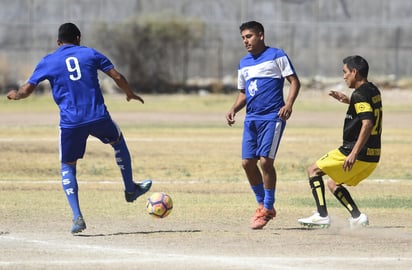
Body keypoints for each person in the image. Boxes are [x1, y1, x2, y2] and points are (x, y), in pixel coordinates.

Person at [7, 22, 152, 234]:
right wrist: (129, 93)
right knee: (118, 141)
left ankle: (77, 217)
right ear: (78, 38)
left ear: (58, 42)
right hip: (98, 116)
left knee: (68, 165)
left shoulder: (48, 61)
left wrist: (16, 95)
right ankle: (130, 189)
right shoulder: (90, 54)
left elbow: (27, 89)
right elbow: (117, 76)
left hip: (70, 123)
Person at [226, 21, 300, 230]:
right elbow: (244, 92)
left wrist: (289, 104)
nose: (245, 41)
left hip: (272, 117)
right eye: (242, 38)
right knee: (247, 163)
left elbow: (294, 81)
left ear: (261, 35)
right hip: (252, 119)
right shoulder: (244, 63)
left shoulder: (277, 55)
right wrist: (234, 109)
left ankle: (268, 206)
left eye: (248, 36)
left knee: (266, 162)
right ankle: (261, 205)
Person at [298, 55, 382, 229]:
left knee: (313, 170)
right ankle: (357, 217)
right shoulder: (373, 90)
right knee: (333, 182)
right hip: (373, 156)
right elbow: (368, 112)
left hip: (355, 151)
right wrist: (348, 101)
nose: (344, 76)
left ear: (355, 72)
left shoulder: (360, 95)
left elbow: (367, 123)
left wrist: (353, 153)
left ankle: (321, 215)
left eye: (345, 72)